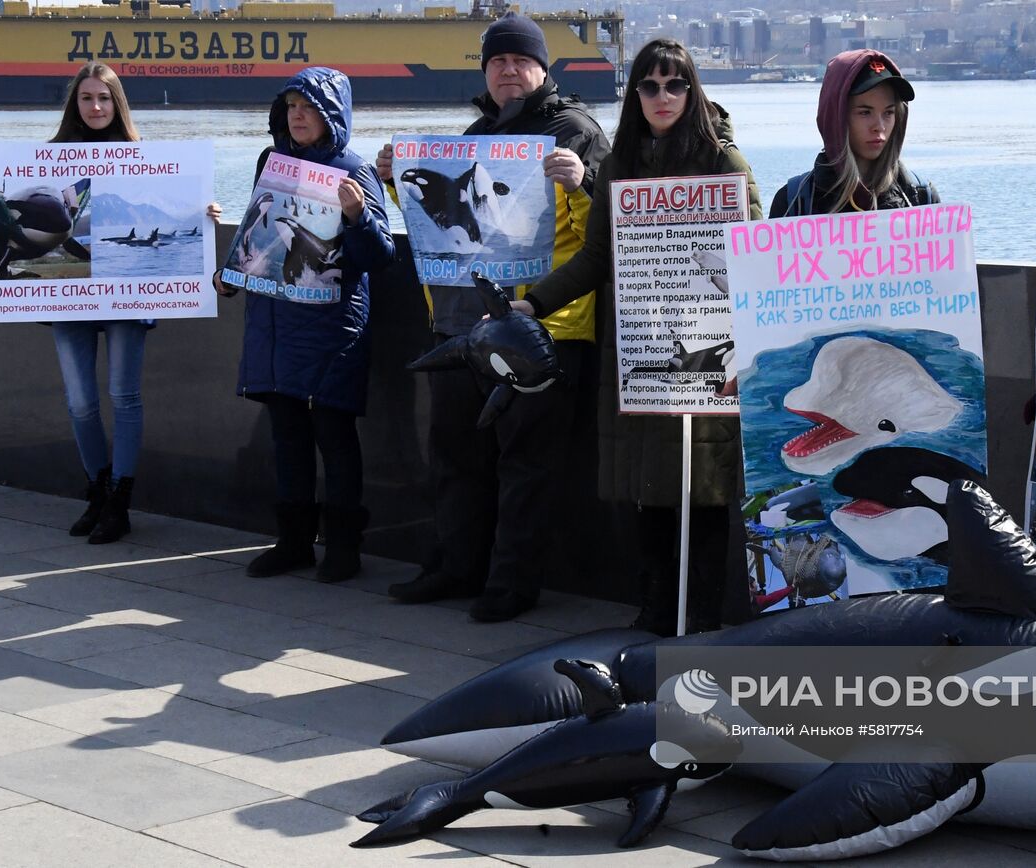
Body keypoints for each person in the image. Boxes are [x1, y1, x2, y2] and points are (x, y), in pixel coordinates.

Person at [512, 38, 763, 636]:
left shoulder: (726, 164)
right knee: (651, 489)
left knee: (705, 491)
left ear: (692, 90)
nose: (662, 96)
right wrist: (534, 304)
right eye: (649, 85)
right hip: (643, 352)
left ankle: (701, 617)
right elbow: (596, 257)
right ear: (636, 95)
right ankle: (654, 613)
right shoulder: (621, 166)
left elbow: (755, 253)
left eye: (674, 84)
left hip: (710, 357)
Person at [375, 12, 611, 622]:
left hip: (543, 331)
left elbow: (610, 232)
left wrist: (584, 183)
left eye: (520, 60)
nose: (508, 70)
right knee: (455, 454)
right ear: (485, 70)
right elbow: (446, 230)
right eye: (497, 61)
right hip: (466, 327)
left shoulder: (575, 130)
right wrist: (395, 183)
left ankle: (510, 585)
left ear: (542, 68)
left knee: (526, 462)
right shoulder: (475, 134)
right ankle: (455, 566)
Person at [0, 62, 220, 545]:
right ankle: (96, 491)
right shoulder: (48, 157)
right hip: (70, 298)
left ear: (117, 104)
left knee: (124, 396)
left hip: (124, 296)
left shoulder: (140, 155)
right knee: (80, 402)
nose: (96, 106)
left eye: (104, 98)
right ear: (74, 104)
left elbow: (174, 200)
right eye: (87, 98)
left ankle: (120, 499)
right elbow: (1, 198)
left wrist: (203, 209)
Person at [213, 67, 394, 583]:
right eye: (291, 105)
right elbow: (258, 235)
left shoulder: (354, 171)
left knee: (334, 439)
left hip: (331, 331)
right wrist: (229, 276)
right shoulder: (270, 162)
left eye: (309, 107)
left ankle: (343, 547)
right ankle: (292, 541)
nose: (298, 115)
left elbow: (379, 257)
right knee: (286, 438)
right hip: (273, 324)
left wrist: (359, 216)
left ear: (332, 113)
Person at [769, 49, 938, 219]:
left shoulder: (921, 197)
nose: (879, 127)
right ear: (836, 118)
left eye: (888, 113)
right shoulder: (794, 202)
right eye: (865, 112)